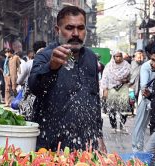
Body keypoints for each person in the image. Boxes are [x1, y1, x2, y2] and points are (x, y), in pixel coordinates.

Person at [28, 6, 106, 152]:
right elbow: (34, 86)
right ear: (58, 30)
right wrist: (51, 67)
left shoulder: (90, 57)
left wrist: (99, 137)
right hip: (50, 148)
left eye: (80, 28)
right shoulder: (45, 56)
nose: (76, 33)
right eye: (69, 28)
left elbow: (95, 101)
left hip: (85, 147)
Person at [101, 51, 131, 133]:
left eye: (120, 56)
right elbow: (105, 78)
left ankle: (122, 126)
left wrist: (127, 80)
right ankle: (113, 127)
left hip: (123, 88)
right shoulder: (109, 66)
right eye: (116, 56)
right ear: (113, 57)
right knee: (112, 108)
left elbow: (131, 77)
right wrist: (105, 90)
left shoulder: (127, 66)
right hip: (112, 88)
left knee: (124, 108)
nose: (118, 58)